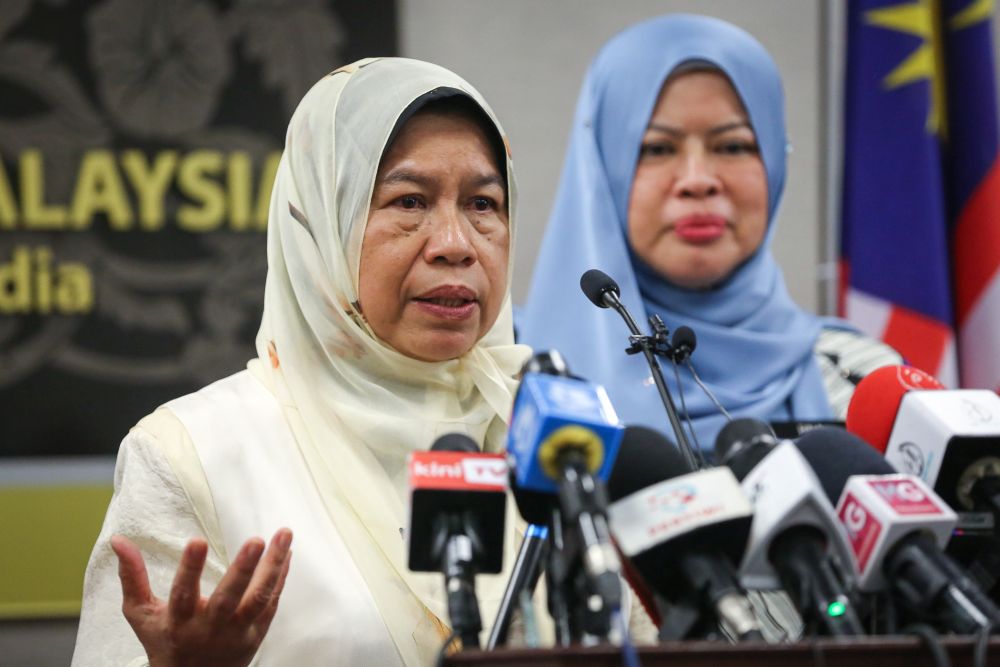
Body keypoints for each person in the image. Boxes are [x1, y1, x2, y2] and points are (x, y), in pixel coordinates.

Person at [72, 57, 532, 666]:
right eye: (409, 201)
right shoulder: (195, 453)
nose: (455, 244)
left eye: (483, 203)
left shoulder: (550, 435)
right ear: (317, 223)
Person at [519, 14, 901, 455]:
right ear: (601, 169)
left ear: (775, 162)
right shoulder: (507, 375)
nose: (698, 180)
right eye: (657, 149)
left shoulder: (862, 379)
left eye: (733, 146)